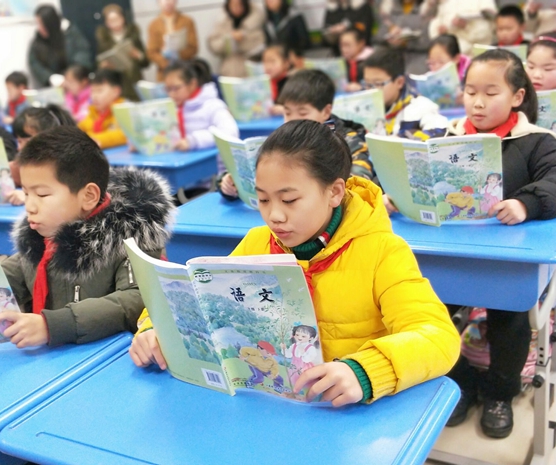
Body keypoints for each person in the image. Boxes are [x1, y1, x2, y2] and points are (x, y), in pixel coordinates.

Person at [130, 119, 460, 407]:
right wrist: (154, 331)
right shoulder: (258, 242)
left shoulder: (382, 252)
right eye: (263, 199)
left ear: (334, 192)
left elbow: (438, 337)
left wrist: (365, 371)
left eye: (289, 200)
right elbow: (195, 299)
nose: (274, 215)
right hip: (272, 406)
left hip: (343, 412)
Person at [436, 50, 556, 438]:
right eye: (471, 91)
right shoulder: (447, 138)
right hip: (451, 253)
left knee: (510, 321)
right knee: (427, 313)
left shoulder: (537, 141)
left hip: (508, 259)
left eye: (491, 93)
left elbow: (554, 180)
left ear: (517, 96)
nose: (478, 102)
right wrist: (399, 196)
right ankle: (461, 381)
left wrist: (525, 204)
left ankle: (500, 393)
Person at [0, 126, 175, 349]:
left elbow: (137, 299)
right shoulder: (43, 236)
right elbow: (15, 271)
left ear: (89, 196)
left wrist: (53, 325)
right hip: (57, 356)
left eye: (42, 194)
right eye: (26, 193)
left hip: (109, 358)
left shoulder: (132, 235)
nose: (29, 206)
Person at [218, 69, 375, 199]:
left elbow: (360, 178)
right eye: (287, 113)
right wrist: (230, 181)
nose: (293, 120)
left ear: (326, 111)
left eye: (302, 113)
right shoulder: (285, 137)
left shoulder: (348, 139)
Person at [164, 60, 238, 166]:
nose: (171, 94)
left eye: (176, 88)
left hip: (213, 168)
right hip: (182, 163)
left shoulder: (213, 105)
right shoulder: (174, 107)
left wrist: (193, 141)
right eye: (168, 89)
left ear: (192, 84)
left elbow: (230, 132)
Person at [363, 47, 448, 138]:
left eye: (378, 84)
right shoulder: (363, 109)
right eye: (368, 84)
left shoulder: (421, 107)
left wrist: (403, 138)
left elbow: (441, 132)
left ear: (399, 82)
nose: (371, 90)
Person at [28, 4, 92, 88]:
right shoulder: (38, 41)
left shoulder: (70, 33)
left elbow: (83, 53)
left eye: (42, 24)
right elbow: (35, 63)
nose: (40, 28)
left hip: (77, 82)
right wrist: (50, 77)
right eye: (38, 23)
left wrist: (72, 75)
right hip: (54, 86)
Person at [96, 4, 149, 101]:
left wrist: (139, 55)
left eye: (117, 19)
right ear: (106, 22)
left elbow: (146, 62)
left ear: (123, 18)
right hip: (116, 82)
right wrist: (103, 65)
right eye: (111, 20)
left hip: (134, 80)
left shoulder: (133, 35)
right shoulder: (104, 40)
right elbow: (99, 62)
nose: (115, 23)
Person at [207, 0, 266, 78]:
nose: (236, 8)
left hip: (251, 71)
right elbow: (214, 45)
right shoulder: (222, 22)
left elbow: (261, 43)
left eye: (239, 4)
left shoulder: (256, 20)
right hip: (228, 72)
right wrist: (230, 39)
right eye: (233, 5)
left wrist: (242, 39)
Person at [421, 0, 497, 55]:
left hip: (474, 52)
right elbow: (429, 18)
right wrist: (441, 33)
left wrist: (466, 27)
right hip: (448, 52)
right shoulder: (444, 3)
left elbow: (488, 27)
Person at [147, 0, 198, 82]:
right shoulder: (154, 25)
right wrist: (165, 62)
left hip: (185, 69)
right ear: (158, 2)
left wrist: (178, 54)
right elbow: (151, 52)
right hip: (164, 73)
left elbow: (193, 47)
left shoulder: (187, 21)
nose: (168, 2)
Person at [376, 0, 430, 75]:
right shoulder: (389, 8)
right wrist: (390, 30)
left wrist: (405, 42)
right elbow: (378, 37)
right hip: (392, 54)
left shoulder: (428, 8)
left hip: (418, 56)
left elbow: (428, 42)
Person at [77, 69, 127, 149]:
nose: (94, 96)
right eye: (93, 91)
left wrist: (94, 139)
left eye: (99, 91)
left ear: (116, 91)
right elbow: (80, 128)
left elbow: (124, 134)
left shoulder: (123, 110)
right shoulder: (93, 111)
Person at [338, 27, 373, 92]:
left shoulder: (373, 60)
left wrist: (362, 87)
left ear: (361, 43)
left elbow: (378, 84)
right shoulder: (341, 63)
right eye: (341, 45)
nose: (343, 49)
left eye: (347, 45)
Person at [262, 44, 290, 114]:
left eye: (272, 61)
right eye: (265, 62)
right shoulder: (264, 84)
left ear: (286, 63)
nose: (268, 66)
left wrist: (285, 109)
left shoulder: (292, 83)